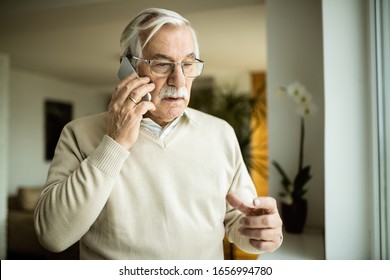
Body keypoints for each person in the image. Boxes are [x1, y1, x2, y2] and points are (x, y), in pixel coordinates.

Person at [34, 7, 283, 260]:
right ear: (128, 69)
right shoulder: (78, 133)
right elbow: (53, 236)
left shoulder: (221, 133)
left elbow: (237, 222)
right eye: (162, 64)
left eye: (187, 64)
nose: (179, 80)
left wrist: (259, 233)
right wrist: (115, 142)